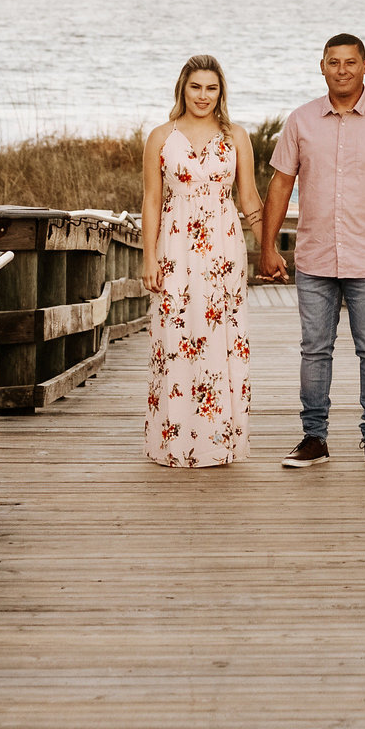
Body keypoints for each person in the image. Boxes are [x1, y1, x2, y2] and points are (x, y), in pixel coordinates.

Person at [258, 33, 365, 471]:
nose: (342, 70)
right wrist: (268, 246)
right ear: (322, 66)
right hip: (314, 255)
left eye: (351, 62)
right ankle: (314, 438)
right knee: (315, 349)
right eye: (334, 62)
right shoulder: (300, 121)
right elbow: (280, 184)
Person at [140, 54, 259, 467]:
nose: (203, 96)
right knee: (174, 338)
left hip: (224, 252)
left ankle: (218, 443)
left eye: (211, 88)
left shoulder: (236, 136)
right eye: (196, 87)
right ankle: (173, 443)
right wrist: (148, 257)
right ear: (182, 89)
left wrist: (270, 249)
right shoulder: (160, 136)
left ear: (220, 91)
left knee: (220, 338)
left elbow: (249, 201)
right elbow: (152, 199)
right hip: (173, 249)